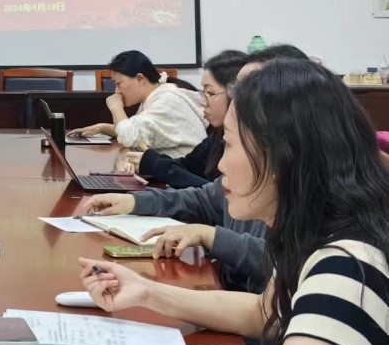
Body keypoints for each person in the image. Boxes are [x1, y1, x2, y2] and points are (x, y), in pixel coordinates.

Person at [80, 59, 389, 345]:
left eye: (228, 143)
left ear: (280, 159)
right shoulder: (314, 232)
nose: (221, 165)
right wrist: (146, 292)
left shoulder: (345, 267)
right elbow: (263, 313)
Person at [74, 45, 311, 293]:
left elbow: (281, 270)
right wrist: (132, 202)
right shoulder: (239, 160)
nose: (236, 102)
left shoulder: (307, 193)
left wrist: (211, 236)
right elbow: (202, 198)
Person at [117, 49, 248, 189]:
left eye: (210, 93)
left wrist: (155, 164)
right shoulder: (217, 136)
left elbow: (215, 194)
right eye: (203, 92)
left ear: (237, 95)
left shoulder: (247, 145)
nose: (203, 102)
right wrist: (148, 161)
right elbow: (187, 166)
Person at [68, 50, 206, 157]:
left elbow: (129, 136)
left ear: (140, 78)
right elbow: (140, 132)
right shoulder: (157, 95)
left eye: (118, 83)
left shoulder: (166, 101)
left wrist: (115, 107)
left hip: (184, 178)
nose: (117, 91)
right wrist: (103, 128)